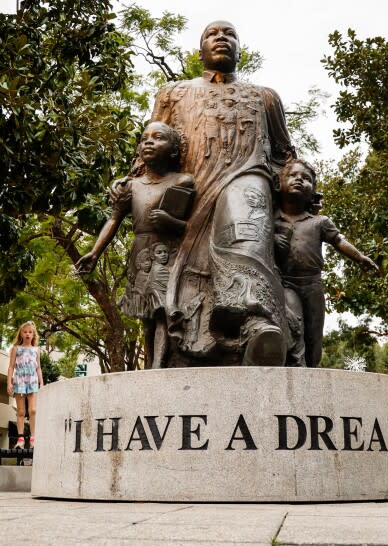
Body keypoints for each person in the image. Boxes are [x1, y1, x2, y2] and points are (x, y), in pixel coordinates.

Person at [148, 20, 295, 367]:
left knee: (243, 225)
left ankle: (257, 327)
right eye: (213, 34)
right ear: (200, 50)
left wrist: (292, 208)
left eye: (230, 34)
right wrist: (134, 185)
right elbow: (151, 144)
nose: (222, 38)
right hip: (192, 192)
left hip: (247, 183)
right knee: (189, 277)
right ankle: (185, 347)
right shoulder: (174, 93)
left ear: (240, 51)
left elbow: (284, 154)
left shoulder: (264, 97)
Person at [76, 121, 194, 369]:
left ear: (173, 149)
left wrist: (170, 221)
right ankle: (151, 362)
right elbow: (114, 219)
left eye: (158, 137)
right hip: (140, 254)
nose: (149, 142)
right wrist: (94, 253)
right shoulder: (130, 186)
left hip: (168, 253)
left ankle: (159, 365)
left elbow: (190, 228)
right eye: (144, 138)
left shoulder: (183, 181)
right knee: (146, 315)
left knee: (162, 310)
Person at [274, 159, 379, 367]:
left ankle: (312, 370)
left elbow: (339, 241)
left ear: (313, 191)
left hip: (312, 285)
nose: (299, 180)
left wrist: (359, 257)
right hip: (286, 283)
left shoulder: (319, 222)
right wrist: (272, 240)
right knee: (295, 324)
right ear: (279, 184)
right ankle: (297, 368)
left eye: (306, 179)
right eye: (293, 176)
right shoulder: (271, 220)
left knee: (314, 337)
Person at [6, 320, 44, 449]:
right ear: (21, 334)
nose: (28, 334)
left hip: (32, 380)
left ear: (34, 335)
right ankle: (21, 440)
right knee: (21, 411)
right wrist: (9, 383)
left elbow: (38, 368)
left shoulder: (36, 350)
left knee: (33, 410)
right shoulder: (16, 349)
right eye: (25, 332)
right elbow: (11, 367)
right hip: (19, 380)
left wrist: (42, 383)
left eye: (30, 332)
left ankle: (33, 439)